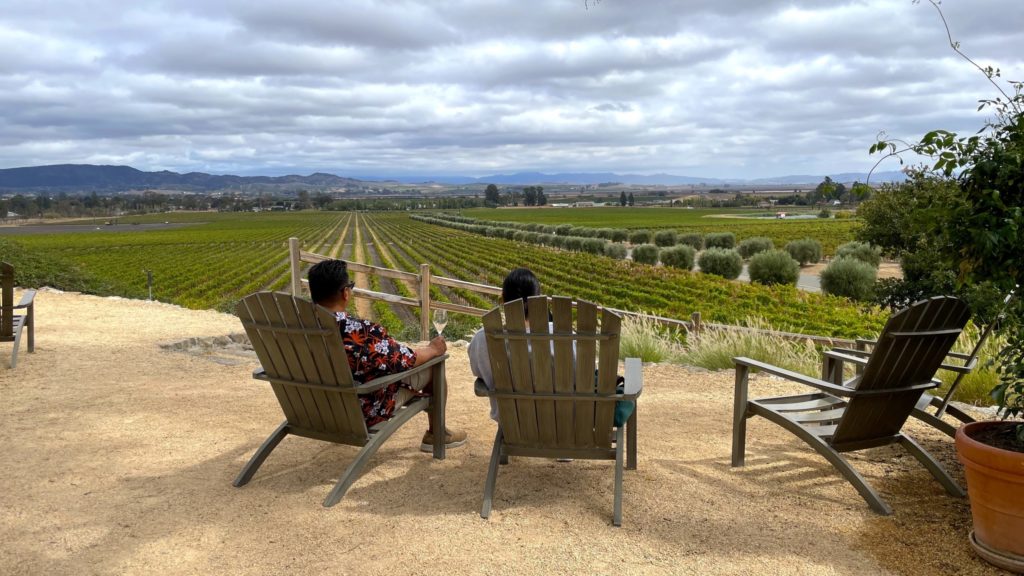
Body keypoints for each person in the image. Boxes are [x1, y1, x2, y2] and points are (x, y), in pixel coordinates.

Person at [307, 258, 466, 451]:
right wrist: (433, 349)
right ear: (345, 293)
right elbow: (406, 360)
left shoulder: (295, 327)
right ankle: (436, 434)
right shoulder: (362, 331)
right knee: (433, 363)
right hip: (363, 410)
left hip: (315, 409)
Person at [468, 268, 543, 422]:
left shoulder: (484, 339)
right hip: (560, 427)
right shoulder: (567, 339)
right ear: (538, 300)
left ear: (503, 300)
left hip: (512, 427)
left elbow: (478, 372)